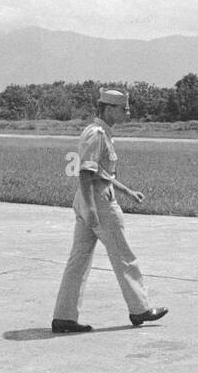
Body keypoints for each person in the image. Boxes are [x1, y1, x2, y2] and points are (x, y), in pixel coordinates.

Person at [51, 88, 167, 333]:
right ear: (109, 108)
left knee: (78, 260)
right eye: (123, 108)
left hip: (88, 200)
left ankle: (64, 317)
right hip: (99, 203)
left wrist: (127, 191)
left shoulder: (98, 133)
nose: (127, 112)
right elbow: (85, 172)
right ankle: (140, 308)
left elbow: (102, 173)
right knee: (124, 256)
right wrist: (92, 209)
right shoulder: (98, 134)